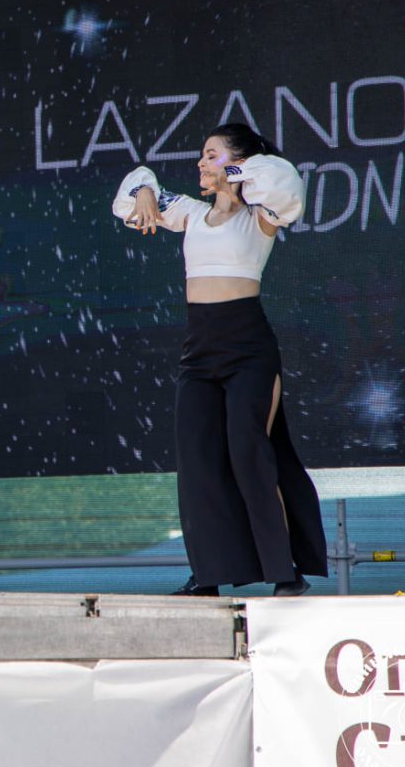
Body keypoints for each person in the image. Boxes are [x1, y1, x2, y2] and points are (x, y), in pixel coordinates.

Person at [112, 123, 327, 596]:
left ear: (237, 161)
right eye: (203, 156)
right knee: (197, 460)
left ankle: (285, 570)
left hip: (247, 346)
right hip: (199, 349)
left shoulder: (260, 217)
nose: (200, 164)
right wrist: (147, 188)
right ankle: (208, 573)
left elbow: (285, 183)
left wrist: (233, 169)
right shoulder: (189, 213)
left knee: (249, 451)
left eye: (209, 155)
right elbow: (128, 197)